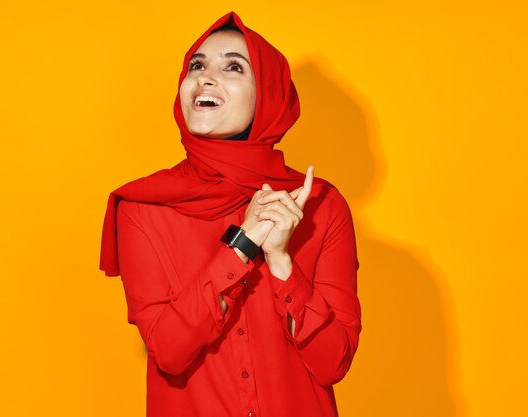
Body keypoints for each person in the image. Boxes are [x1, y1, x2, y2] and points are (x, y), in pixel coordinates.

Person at [99, 11, 361, 417]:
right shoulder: (142, 207)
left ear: (268, 95)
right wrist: (242, 247)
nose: (204, 78)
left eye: (233, 67)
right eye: (196, 66)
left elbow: (333, 363)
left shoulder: (321, 206)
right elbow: (169, 351)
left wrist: (280, 262)